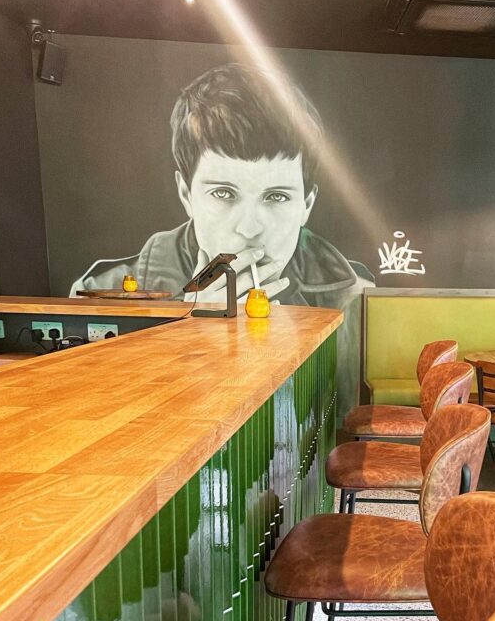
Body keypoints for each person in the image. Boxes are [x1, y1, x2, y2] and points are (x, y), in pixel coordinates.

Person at [70, 62, 373, 416]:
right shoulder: (102, 295)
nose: (249, 228)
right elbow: (96, 419)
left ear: (306, 205)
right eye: (223, 194)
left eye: (276, 196)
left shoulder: (355, 300)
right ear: (186, 195)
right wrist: (189, 337)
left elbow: (350, 429)